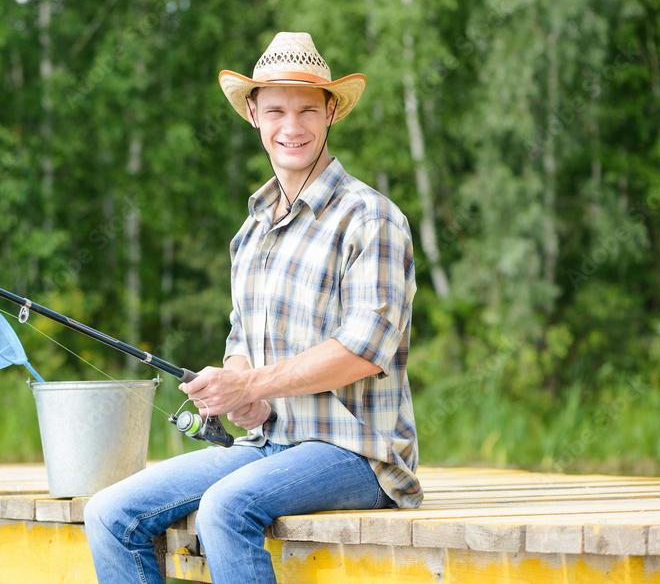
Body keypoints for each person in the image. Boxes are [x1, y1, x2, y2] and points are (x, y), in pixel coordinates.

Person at [83, 31, 421, 584]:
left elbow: (363, 350)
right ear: (252, 114)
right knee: (108, 513)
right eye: (276, 111)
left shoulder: (370, 217)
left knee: (226, 508)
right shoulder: (252, 230)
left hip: (358, 453)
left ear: (330, 111)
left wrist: (254, 385)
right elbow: (242, 345)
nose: (293, 127)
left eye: (308, 109)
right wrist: (231, 390)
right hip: (267, 445)